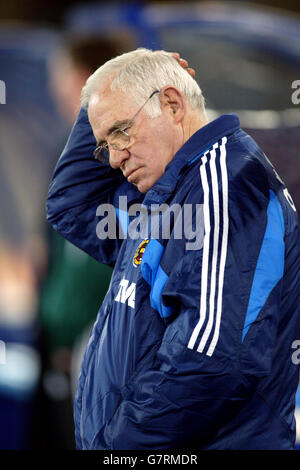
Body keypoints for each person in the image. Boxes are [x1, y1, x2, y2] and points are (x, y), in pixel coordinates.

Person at [46, 48, 300, 450]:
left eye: (121, 131)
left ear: (172, 104)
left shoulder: (226, 187)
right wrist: (101, 97)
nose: (113, 159)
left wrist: (119, 445)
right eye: (104, 144)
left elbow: (213, 358)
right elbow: (71, 205)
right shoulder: (166, 190)